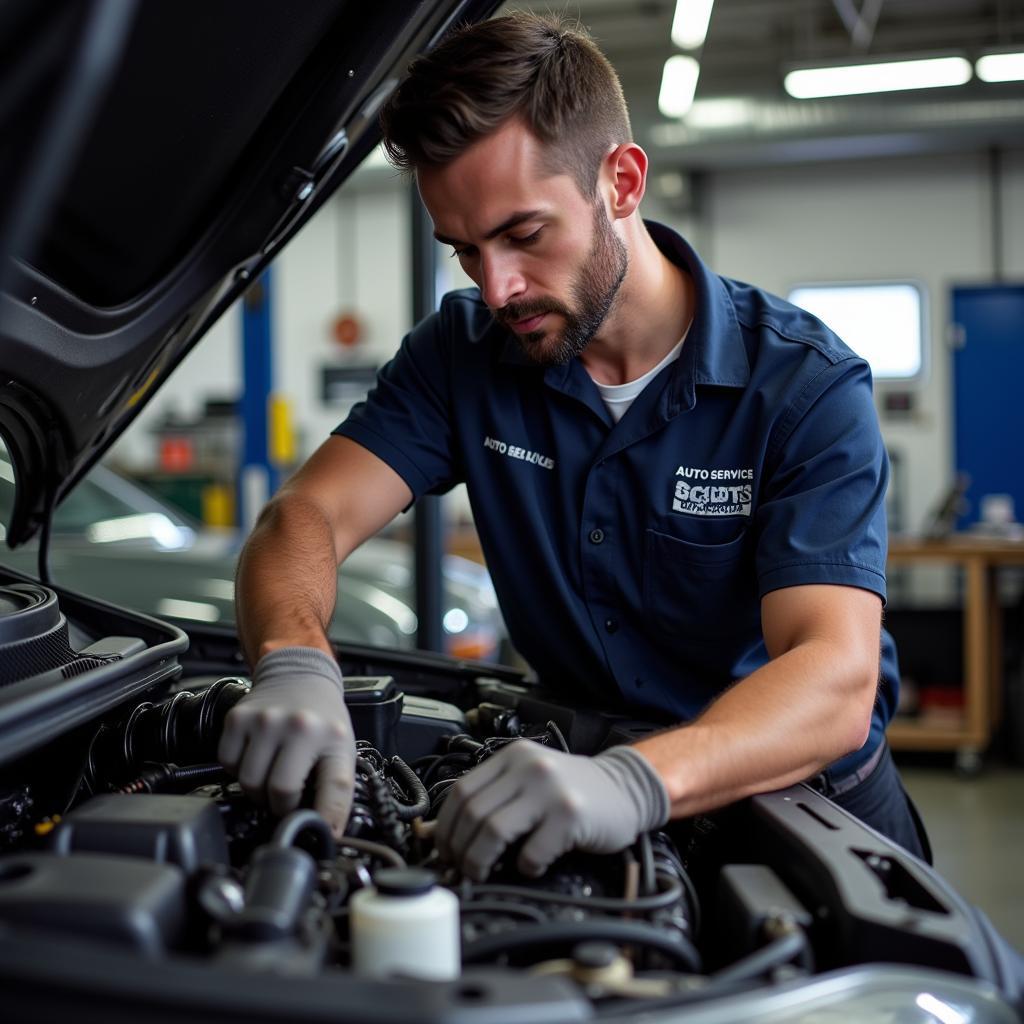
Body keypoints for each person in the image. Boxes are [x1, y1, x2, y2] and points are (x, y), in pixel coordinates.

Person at [219, 12, 928, 879]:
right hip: (569, 791)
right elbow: (306, 516)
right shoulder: (464, 353)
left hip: (801, 819)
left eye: (523, 235)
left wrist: (633, 783)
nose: (498, 286)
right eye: (465, 250)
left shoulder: (803, 386)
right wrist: (295, 661)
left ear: (621, 182)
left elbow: (835, 675)